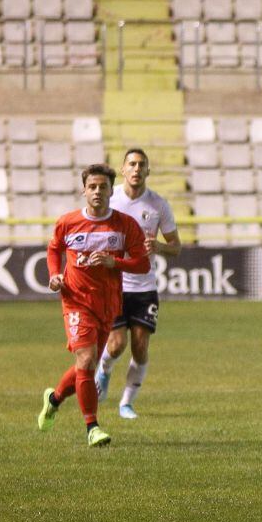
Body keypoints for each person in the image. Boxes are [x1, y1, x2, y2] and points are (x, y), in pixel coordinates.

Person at [37, 164, 149, 446]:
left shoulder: (125, 225)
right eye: (92, 187)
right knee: (86, 360)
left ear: (113, 190)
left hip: (108, 304)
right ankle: (92, 427)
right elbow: (54, 249)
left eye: (103, 187)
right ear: (84, 190)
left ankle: (53, 399)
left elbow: (142, 263)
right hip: (76, 300)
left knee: (84, 367)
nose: (97, 191)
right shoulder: (68, 222)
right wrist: (54, 276)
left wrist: (115, 262)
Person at [94, 148, 182, 419]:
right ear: (123, 170)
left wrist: (158, 246)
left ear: (147, 171)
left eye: (141, 165)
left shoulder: (158, 205)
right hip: (115, 283)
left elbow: (176, 247)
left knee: (140, 346)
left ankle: (126, 403)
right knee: (117, 344)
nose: (136, 169)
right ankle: (104, 371)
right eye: (131, 164)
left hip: (145, 286)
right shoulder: (111, 197)